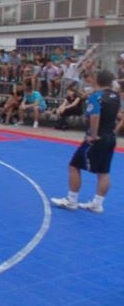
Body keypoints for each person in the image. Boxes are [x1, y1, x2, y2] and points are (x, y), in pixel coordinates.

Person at [51, 70, 123, 214]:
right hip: (110, 137)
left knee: (74, 166)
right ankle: (97, 204)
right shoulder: (116, 96)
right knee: (104, 172)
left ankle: (71, 200)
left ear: (97, 80)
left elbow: (95, 116)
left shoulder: (96, 96)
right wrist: (114, 131)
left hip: (97, 138)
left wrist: (93, 135)